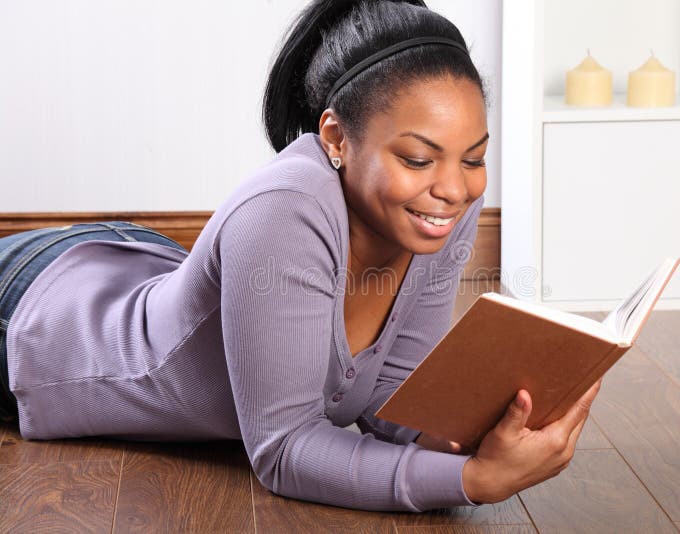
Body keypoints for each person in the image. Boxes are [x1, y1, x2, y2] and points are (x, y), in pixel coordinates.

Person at [0, 0, 602, 512]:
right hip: (38, 317)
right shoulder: (284, 210)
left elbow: (394, 396)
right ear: (337, 138)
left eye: (473, 158)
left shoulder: (441, 205)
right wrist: (471, 481)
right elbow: (283, 451)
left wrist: (469, 431)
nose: (454, 188)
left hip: (134, 259)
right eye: (418, 159)